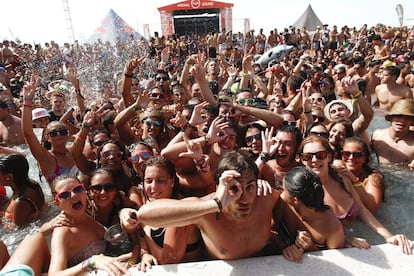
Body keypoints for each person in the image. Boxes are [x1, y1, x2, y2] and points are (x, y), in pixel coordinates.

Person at [120, 150, 282, 260]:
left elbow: (294, 216)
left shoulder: (267, 197)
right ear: (219, 187)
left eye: (250, 187)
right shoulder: (206, 210)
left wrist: (294, 243)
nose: (244, 198)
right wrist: (216, 203)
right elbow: (145, 215)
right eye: (234, 188)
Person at [299, 135, 412, 254]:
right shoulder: (303, 192)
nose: (314, 160)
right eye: (307, 156)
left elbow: (362, 210)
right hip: (334, 248)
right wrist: (344, 241)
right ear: (302, 160)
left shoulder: (342, 178)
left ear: (329, 156)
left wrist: (388, 236)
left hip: (359, 236)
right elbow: (307, 231)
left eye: (320, 155)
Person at [0, 175, 131, 276]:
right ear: (57, 203)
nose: (73, 195)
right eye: (64, 195)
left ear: (85, 191)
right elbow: (55, 274)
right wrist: (89, 264)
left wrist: (124, 212)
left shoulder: (88, 213)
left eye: (77, 189)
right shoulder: (63, 231)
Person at [129, 156, 201, 271]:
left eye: (160, 180)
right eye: (148, 181)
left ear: (172, 182)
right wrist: (145, 254)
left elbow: (168, 260)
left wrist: (145, 231)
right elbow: (142, 243)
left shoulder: (181, 211)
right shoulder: (147, 208)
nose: (153, 187)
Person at [279, 166, 345, 263]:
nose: (282, 192)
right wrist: (284, 245)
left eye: (284, 189)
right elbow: (272, 230)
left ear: (295, 200)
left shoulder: (332, 226)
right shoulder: (284, 201)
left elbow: (336, 263)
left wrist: (311, 248)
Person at [22, 77, 78, 186]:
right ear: (47, 137)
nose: (58, 134)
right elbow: (28, 133)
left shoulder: (75, 151)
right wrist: (27, 101)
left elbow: (85, 133)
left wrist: (77, 88)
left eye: (62, 131)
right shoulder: (46, 158)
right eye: (53, 133)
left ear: (67, 135)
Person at [333, 136, 386, 213]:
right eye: (346, 154)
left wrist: (354, 179)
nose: (351, 158)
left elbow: (372, 208)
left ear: (365, 158)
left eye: (357, 155)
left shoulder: (373, 178)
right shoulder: (336, 170)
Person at [0, 154, 45, 226]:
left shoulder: (21, 202)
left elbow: (16, 229)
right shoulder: (33, 184)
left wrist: (1, 221)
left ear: (9, 177)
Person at [372, 99, 414, 168]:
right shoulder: (377, 136)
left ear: (412, 121)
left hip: (405, 176)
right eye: (398, 116)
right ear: (391, 118)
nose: (402, 120)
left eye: (407, 118)